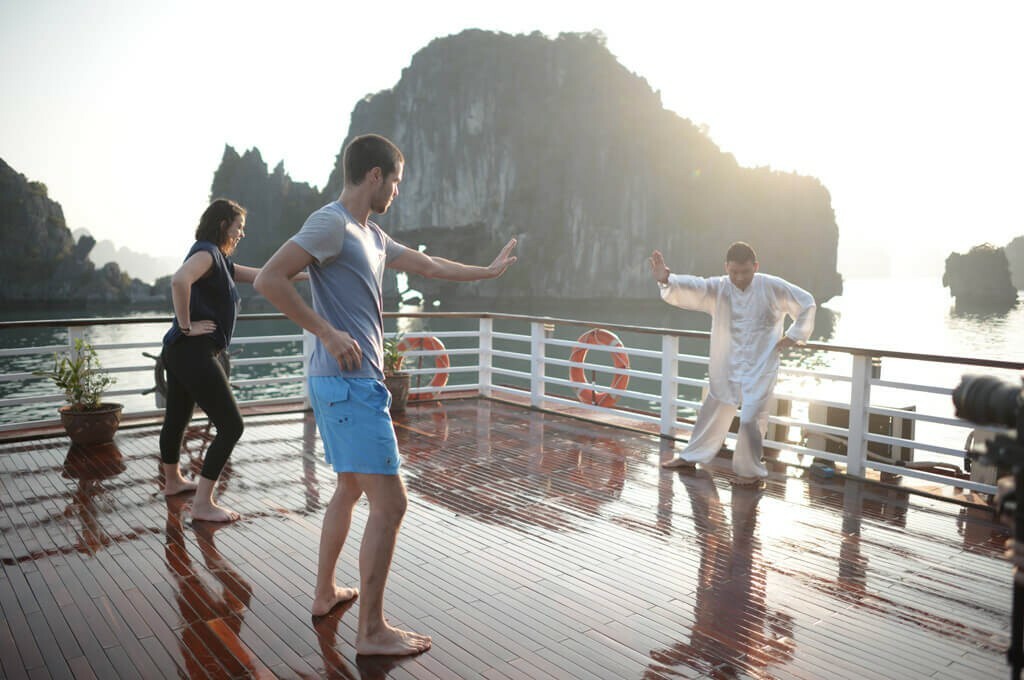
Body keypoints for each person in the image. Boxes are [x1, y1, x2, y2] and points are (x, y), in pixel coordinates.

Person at [254, 133, 517, 656]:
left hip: (353, 381)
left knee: (350, 487)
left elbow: (429, 265)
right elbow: (269, 279)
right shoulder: (331, 223)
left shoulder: (371, 235)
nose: (397, 190)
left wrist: (487, 270)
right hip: (347, 382)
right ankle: (371, 631)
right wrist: (326, 331)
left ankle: (325, 592)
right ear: (375, 174)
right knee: (392, 503)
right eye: (395, 180)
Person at [159, 198, 307, 521]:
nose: (241, 233)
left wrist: (306, 275)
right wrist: (187, 327)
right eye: (239, 226)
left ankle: (173, 483)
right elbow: (179, 281)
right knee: (232, 425)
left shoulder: (220, 261)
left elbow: (262, 276)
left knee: (177, 417)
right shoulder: (206, 253)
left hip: (181, 352)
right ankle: (202, 504)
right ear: (224, 224)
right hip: (192, 351)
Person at [650, 241, 815, 485]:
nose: (739, 278)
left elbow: (806, 302)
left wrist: (794, 335)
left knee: (750, 419)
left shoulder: (771, 286)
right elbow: (696, 286)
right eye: (734, 272)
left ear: (755, 267)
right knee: (714, 408)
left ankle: (750, 473)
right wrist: (667, 279)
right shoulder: (719, 287)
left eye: (745, 272)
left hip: (761, 365)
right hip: (727, 361)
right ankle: (690, 456)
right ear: (726, 267)